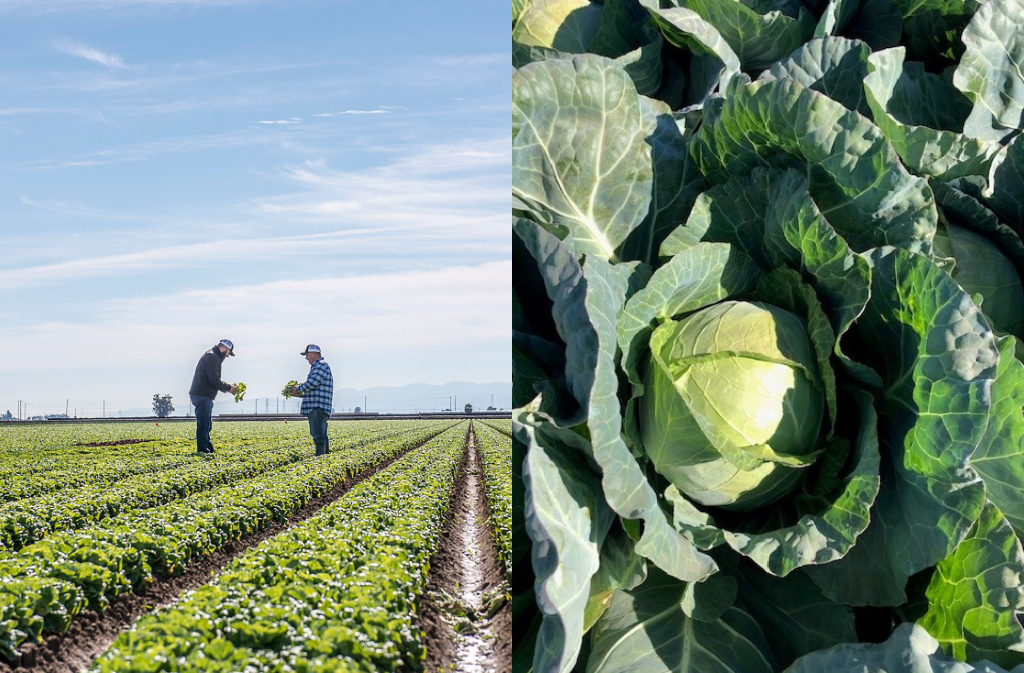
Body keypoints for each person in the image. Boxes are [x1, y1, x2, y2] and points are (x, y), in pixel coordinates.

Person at [188, 339, 239, 455]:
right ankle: (203, 450)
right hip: (202, 395)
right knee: (204, 424)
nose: (227, 356)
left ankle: (209, 449)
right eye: (228, 353)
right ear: (224, 349)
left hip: (202, 395)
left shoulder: (211, 355)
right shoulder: (212, 357)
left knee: (207, 424)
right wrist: (229, 388)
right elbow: (214, 379)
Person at [289, 344, 334, 456]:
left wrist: (297, 389)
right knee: (322, 435)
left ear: (314, 354)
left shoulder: (320, 366)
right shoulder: (320, 366)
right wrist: (298, 394)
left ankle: (319, 461)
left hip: (317, 407)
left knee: (319, 437)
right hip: (319, 406)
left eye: (307, 355)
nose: (306, 358)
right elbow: (314, 389)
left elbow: (311, 384)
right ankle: (326, 458)